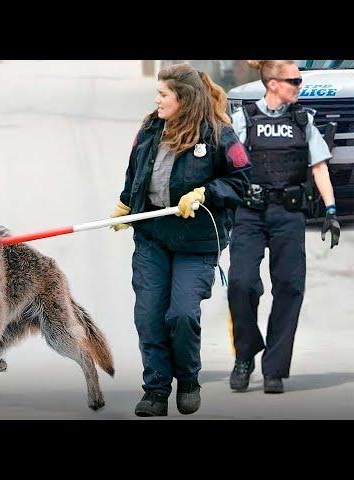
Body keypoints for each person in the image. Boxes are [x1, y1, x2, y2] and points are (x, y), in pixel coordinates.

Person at [110, 63, 251, 416]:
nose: (156, 100)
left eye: (163, 94)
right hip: (153, 236)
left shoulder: (219, 135)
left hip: (197, 241)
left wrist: (206, 192)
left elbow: (242, 180)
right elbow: (136, 170)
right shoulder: (149, 129)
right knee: (149, 315)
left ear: (184, 98)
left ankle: (188, 379)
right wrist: (127, 203)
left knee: (182, 315)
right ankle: (156, 390)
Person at [227, 60, 340, 394]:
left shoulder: (302, 120)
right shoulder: (243, 119)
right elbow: (226, 165)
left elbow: (319, 168)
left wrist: (331, 210)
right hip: (250, 213)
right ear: (273, 83)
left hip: (289, 214)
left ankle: (274, 368)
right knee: (241, 284)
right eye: (294, 80)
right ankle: (245, 354)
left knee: (290, 288)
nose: (299, 86)